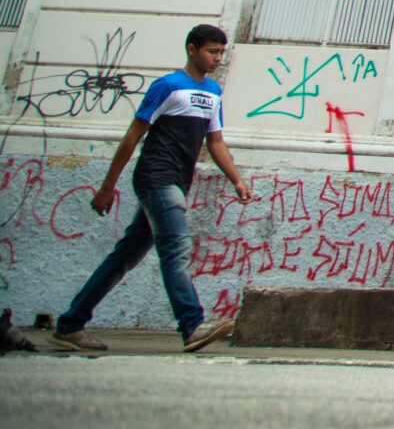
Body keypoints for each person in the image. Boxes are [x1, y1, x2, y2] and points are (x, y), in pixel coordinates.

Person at [49, 23, 253, 353]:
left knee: (124, 257)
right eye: (211, 51)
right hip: (155, 178)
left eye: (221, 52)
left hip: (177, 181)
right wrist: (107, 187)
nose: (218, 58)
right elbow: (133, 136)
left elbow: (215, 141)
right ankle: (191, 326)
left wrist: (237, 180)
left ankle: (70, 325)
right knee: (175, 247)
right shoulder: (167, 86)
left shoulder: (213, 92)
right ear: (192, 49)